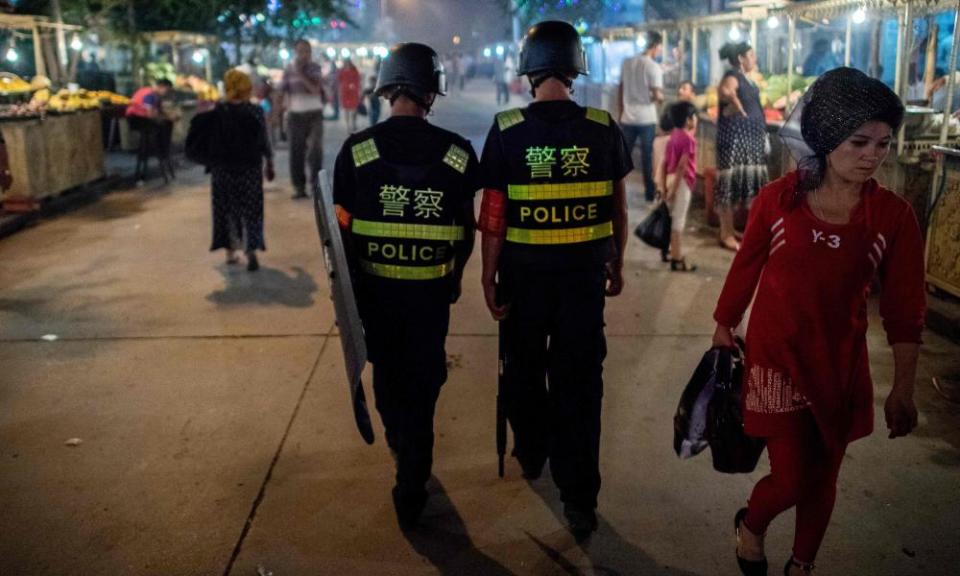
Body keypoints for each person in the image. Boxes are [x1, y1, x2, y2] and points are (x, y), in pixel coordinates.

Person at [712, 68, 924, 576]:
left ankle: (801, 565)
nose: (873, 155)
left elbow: (905, 309)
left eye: (883, 144)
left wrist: (904, 388)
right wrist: (724, 325)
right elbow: (746, 268)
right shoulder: (778, 201)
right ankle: (752, 526)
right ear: (828, 140)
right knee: (791, 479)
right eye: (859, 141)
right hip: (775, 362)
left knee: (824, 477)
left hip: (840, 368)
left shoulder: (893, 218)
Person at [478, 20, 631, 538]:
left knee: (523, 371)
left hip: (524, 283)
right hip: (582, 287)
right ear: (573, 70)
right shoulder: (601, 126)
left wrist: (487, 273)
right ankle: (580, 498)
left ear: (528, 72)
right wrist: (618, 259)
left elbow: (493, 214)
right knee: (581, 386)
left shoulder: (506, 130)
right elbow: (618, 207)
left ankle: (533, 448)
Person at [332, 42, 479, 528]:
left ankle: (406, 460)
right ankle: (413, 474)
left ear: (387, 88)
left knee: (389, 379)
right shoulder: (457, 154)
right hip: (431, 301)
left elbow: (342, 235)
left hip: (375, 303)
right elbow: (465, 230)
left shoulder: (357, 152)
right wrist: (454, 280)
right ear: (430, 94)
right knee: (424, 383)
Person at [207, 69, 274, 272]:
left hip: (222, 171)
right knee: (251, 210)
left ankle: (230, 251)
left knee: (227, 210)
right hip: (250, 169)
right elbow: (263, 139)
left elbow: (210, 143)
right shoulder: (255, 111)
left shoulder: (218, 111)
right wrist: (269, 162)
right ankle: (250, 249)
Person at [716, 42, 769, 251]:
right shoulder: (733, 76)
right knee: (728, 185)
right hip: (735, 141)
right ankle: (725, 234)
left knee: (746, 184)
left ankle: (733, 231)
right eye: (751, 55)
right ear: (740, 58)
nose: (754, 59)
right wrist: (737, 106)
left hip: (750, 142)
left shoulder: (748, 78)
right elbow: (725, 91)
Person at [619, 31, 664, 203]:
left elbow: (621, 88)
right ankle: (649, 194)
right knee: (647, 158)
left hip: (627, 118)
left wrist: (621, 110)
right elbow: (657, 95)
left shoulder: (627, 62)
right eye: (660, 46)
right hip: (646, 118)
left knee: (623, 157)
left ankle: (614, 190)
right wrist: (659, 99)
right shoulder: (653, 67)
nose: (660, 50)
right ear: (655, 46)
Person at [281, 39, 326, 199]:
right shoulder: (288, 69)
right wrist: (279, 114)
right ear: (295, 52)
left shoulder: (315, 68)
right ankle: (299, 187)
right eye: (300, 51)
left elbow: (315, 90)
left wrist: (300, 74)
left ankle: (316, 186)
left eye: (307, 51)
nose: (304, 55)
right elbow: (283, 91)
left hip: (314, 113)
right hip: (295, 114)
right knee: (296, 151)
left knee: (315, 150)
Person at [662, 101, 698, 272]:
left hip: (670, 179)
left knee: (672, 219)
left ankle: (671, 252)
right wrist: (675, 190)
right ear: (689, 119)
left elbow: (664, 163)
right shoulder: (689, 139)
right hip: (681, 182)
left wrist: (665, 188)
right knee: (679, 221)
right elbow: (682, 167)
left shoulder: (673, 135)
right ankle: (677, 258)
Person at [126, 78, 175, 183]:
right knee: (164, 125)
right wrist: (163, 119)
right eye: (166, 90)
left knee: (166, 123)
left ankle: (162, 151)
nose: (166, 93)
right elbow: (150, 114)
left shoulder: (155, 95)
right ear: (162, 87)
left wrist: (168, 117)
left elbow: (159, 112)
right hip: (137, 119)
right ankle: (162, 151)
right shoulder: (150, 94)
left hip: (141, 119)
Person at [338, 58, 362, 133]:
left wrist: (358, 89)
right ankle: (348, 126)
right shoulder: (341, 71)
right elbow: (339, 81)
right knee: (346, 110)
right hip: (345, 92)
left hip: (353, 92)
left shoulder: (354, 71)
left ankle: (353, 123)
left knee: (354, 109)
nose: (346, 64)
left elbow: (358, 80)